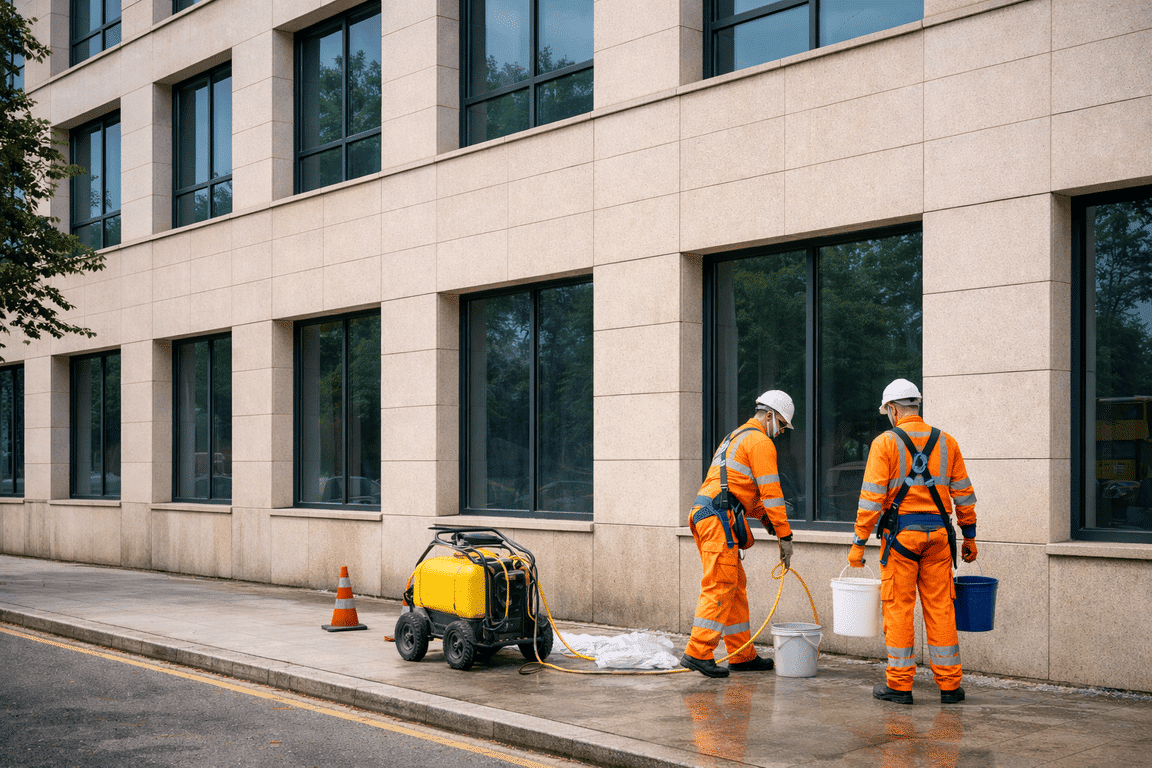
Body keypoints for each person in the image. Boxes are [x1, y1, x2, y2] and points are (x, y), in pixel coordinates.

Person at [848, 379, 978, 704]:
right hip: (939, 539)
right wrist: (970, 536)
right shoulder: (948, 442)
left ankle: (900, 686)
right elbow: (964, 495)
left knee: (899, 608)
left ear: (892, 410)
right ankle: (950, 686)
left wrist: (858, 543)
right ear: (915, 406)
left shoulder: (885, 444)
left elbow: (871, 500)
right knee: (941, 608)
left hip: (901, 540)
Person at [681, 390, 796, 678]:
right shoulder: (760, 442)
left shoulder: (735, 437)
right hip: (718, 519)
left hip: (709, 515)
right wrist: (785, 536)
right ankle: (698, 652)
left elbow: (744, 492)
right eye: (781, 424)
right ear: (769, 415)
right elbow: (771, 492)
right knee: (720, 585)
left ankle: (741, 655)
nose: (781, 432)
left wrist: (767, 520)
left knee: (734, 585)